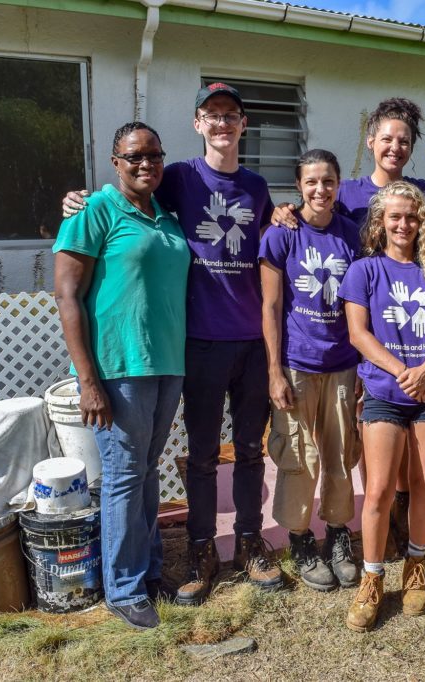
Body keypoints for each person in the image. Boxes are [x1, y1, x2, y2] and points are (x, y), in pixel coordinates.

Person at [62, 83, 284, 604]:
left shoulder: (255, 186)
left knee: (249, 450)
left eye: (232, 115)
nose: (223, 123)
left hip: (250, 340)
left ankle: (249, 540)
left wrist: (290, 212)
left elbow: (272, 239)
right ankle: (201, 548)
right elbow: (123, 200)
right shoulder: (177, 177)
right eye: (213, 115)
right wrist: (79, 198)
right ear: (198, 123)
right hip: (198, 343)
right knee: (201, 454)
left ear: (243, 125)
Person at [273, 97, 425, 556]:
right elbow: (312, 209)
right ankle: (362, 528)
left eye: (404, 140)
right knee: (360, 453)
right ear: (370, 142)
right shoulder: (348, 193)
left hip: (389, 350)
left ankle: (397, 527)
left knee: (377, 455)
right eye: (386, 138)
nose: (395, 146)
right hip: (359, 353)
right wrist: (282, 210)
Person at [54, 122, 190, 629]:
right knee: (124, 477)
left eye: (153, 155)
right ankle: (124, 588)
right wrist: (88, 381)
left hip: (165, 364)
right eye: (134, 156)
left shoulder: (166, 219)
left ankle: (149, 571)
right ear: (116, 162)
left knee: (146, 471)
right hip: (118, 367)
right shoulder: (94, 211)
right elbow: (67, 296)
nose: (145, 163)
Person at [337, 181, 425, 631]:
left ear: (422, 220)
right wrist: (404, 373)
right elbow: (358, 335)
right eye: (395, 216)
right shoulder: (364, 271)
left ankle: (416, 565)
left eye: (412, 216)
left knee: (424, 481)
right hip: (386, 396)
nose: (404, 224)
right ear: (380, 221)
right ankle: (372, 579)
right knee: (380, 490)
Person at [258, 149, 361, 592]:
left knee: (340, 452)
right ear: (299, 186)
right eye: (312, 182)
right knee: (298, 454)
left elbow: (363, 304)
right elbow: (271, 305)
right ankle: (299, 539)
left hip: (342, 364)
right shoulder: (282, 235)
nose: (321, 189)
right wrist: (274, 371)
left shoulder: (352, 236)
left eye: (329, 181)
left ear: (339, 185)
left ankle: (339, 534)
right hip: (297, 364)